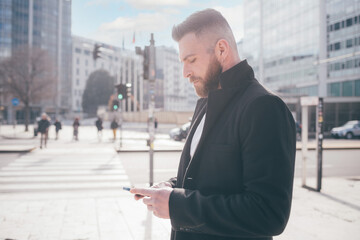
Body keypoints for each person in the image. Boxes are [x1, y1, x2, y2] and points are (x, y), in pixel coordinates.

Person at [130, 9, 296, 240]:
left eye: (191, 60)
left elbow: (269, 213)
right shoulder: (205, 104)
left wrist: (177, 205)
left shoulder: (264, 107)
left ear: (221, 49)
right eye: (183, 62)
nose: (185, 72)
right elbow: (208, 178)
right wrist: (170, 188)